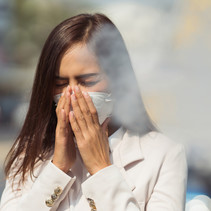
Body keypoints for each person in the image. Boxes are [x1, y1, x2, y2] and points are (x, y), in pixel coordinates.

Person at [0, 13, 187, 211]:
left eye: (87, 81)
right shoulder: (29, 153)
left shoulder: (163, 155)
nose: (72, 94)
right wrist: (57, 168)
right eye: (60, 84)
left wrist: (100, 168)